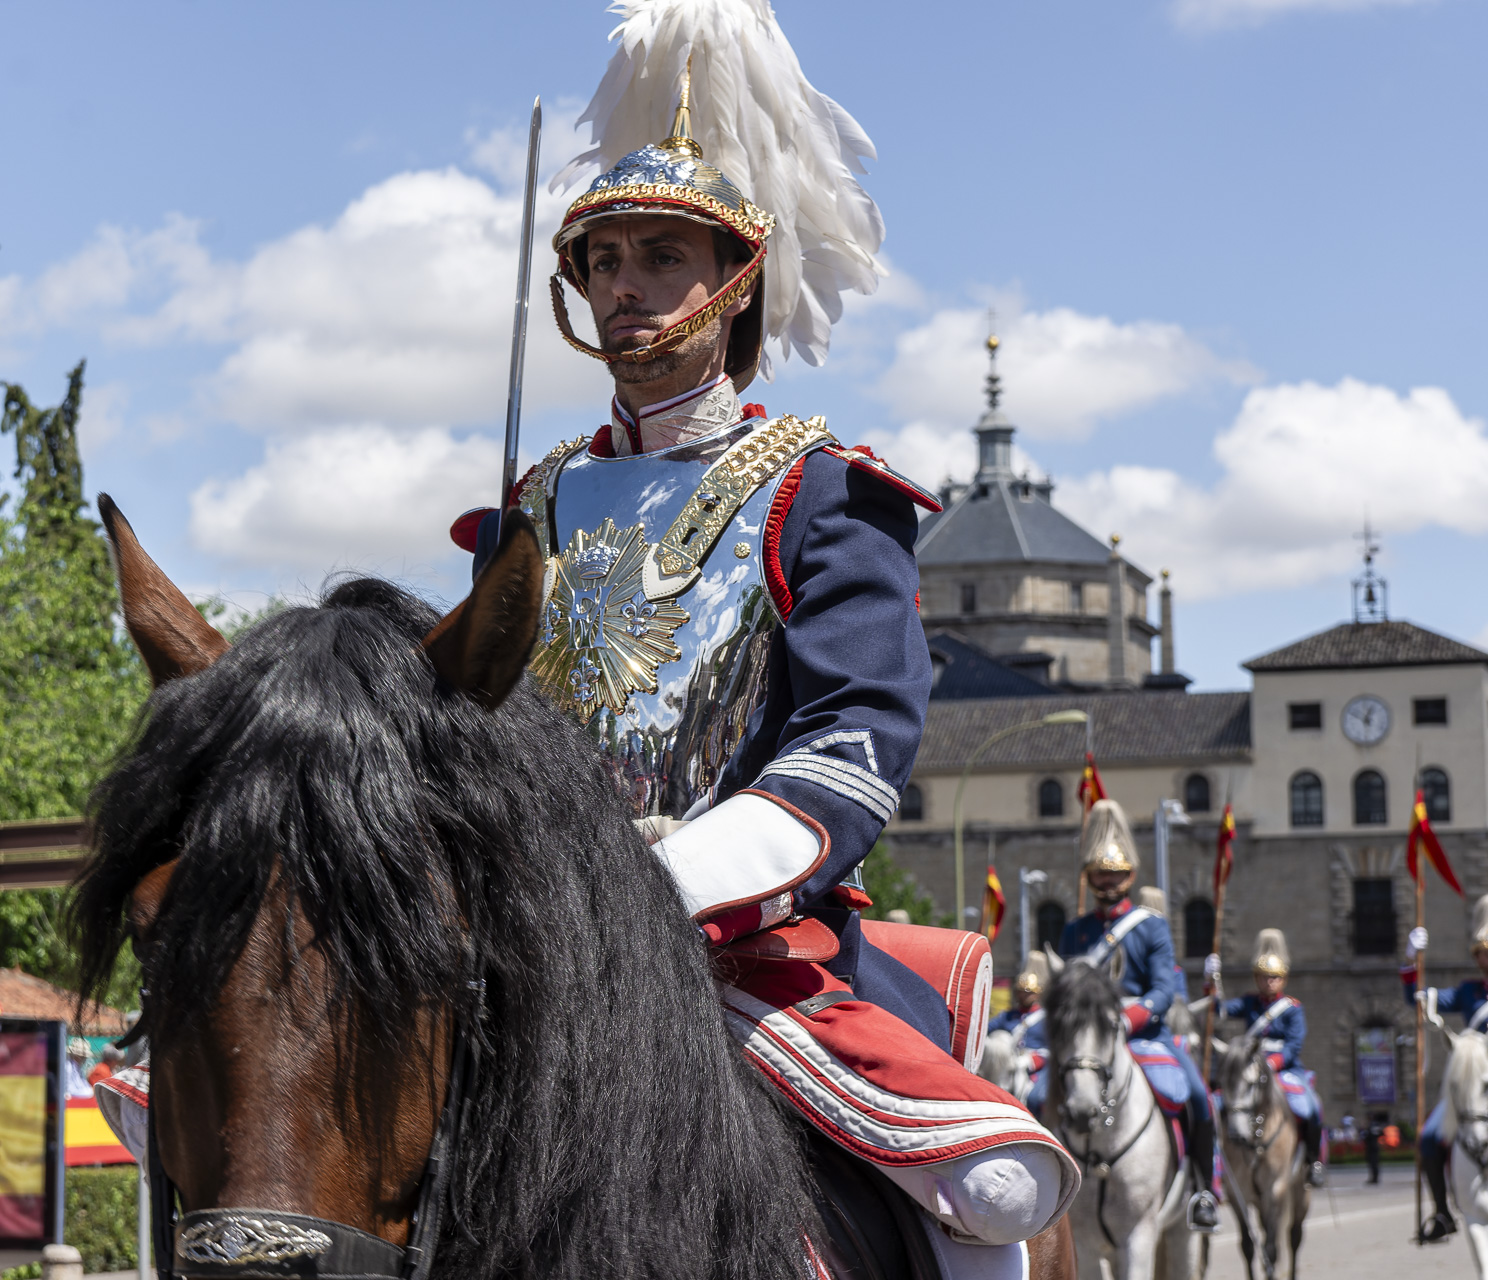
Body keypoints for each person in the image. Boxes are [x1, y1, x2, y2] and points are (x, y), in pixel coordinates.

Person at [446, 7, 1073, 1250]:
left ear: (734, 281)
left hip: (741, 939)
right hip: (529, 937)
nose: (625, 285)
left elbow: (851, 739)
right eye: (604, 258)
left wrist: (654, 886)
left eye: (660, 256)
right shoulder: (535, 501)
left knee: (993, 1195)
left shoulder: (824, 489)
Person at [1058, 799, 1220, 1231]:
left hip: (1145, 1035)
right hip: (1089, 1041)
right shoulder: (1076, 931)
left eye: (1114, 873)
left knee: (1199, 1098)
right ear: (1089, 877)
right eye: (1099, 873)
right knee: (1037, 1096)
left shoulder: (1150, 927)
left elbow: (1164, 990)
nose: (1107, 881)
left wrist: (1129, 1018)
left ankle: (1204, 1189)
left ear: (1128, 875)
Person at [1207, 929, 1325, 1188]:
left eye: (1274, 978)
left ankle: (1313, 1162)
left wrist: (1270, 1065)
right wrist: (1211, 983)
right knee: (1216, 1104)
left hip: (1284, 1070)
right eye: (1264, 977)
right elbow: (1219, 1009)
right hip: (1250, 1068)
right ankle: (1216, 1167)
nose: (1269, 982)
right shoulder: (1249, 1003)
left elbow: (1293, 1046)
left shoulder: (1293, 1009)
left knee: (1311, 1108)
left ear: (1282, 979)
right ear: (1256, 979)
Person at [1401, 892, 1488, 1241]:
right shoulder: (1469, 992)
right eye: (1483, 952)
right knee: (1428, 1138)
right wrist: (1411, 960)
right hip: (1475, 1083)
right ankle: (1442, 1213)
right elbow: (1417, 999)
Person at [989, 952, 1051, 1112]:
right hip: (1010, 1065)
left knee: (1036, 1098)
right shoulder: (1009, 1016)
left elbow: (1053, 1048)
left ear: (1037, 993)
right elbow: (986, 1030)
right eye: (1021, 991)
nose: (1023, 995)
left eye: (1028, 992)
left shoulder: (1045, 1017)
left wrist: (1033, 1060)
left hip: (1037, 1066)